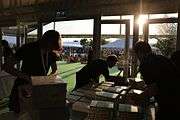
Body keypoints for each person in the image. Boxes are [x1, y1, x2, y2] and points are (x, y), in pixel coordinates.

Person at [3, 30, 62, 113]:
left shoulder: (51, 53)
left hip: (38, 89)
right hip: (22, 87)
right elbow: (7, 67)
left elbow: (55, 69)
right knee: (19, 114)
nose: (50, 49)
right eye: (50, 46)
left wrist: (48, 79)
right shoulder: (28, 48)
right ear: (46, 41)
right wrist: (28, 78)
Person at [129, 41, 180, 119]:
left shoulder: (145, 63)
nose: (137, 57)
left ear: (139, 52)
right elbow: (160, 82)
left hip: (168, 103)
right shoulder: (162, 58)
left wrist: (137, 97)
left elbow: (152, 90)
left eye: (136, 54)